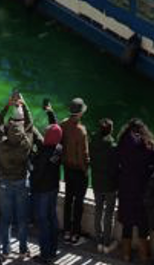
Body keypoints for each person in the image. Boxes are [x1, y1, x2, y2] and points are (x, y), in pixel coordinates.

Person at [115, 119, 154, 262]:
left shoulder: (122, 144)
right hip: (142, 191)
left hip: (125, 190)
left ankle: (126, 255)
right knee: (143, 227)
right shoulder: (148, 147)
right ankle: (143, 257)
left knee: (127, 226)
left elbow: (116, 164)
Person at [0, 120, 35, 259]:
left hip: (5, 183)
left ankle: (5, 250)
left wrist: (7, 106)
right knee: (22, 219)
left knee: (5, 219)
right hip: (21, 183)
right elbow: (30, 127)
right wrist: (23, 105)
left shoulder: (1, 146)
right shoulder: (25, 146)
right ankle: (23, 249)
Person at [28, 123, 65, 263]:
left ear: (48, 137)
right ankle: (53, 250)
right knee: (52, 218)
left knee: (43, 222)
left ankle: (45, 255)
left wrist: (31, 160)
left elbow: (36, 172)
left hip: (42, 190)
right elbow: (46, 140)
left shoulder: (43, 153)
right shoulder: (59, 148)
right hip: (53, 188)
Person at [60, 99, 90, 245]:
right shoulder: (81, 131)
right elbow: (83, 155)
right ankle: (75, 235)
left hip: (67, 168)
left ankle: (66, 231)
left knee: (68, 200)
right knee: (78, 203)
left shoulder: (63, 124)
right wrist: (85, 170)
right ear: (81, 112)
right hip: (78, 170)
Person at [90, 118, 120, 252]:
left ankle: (98, 241)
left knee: (98, 210)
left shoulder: (92, 142)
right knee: (108, 214)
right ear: (110, 130)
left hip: (97, 182)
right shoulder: (113, 146)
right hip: (110, 185)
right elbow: (116, 167)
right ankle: (106, 243)